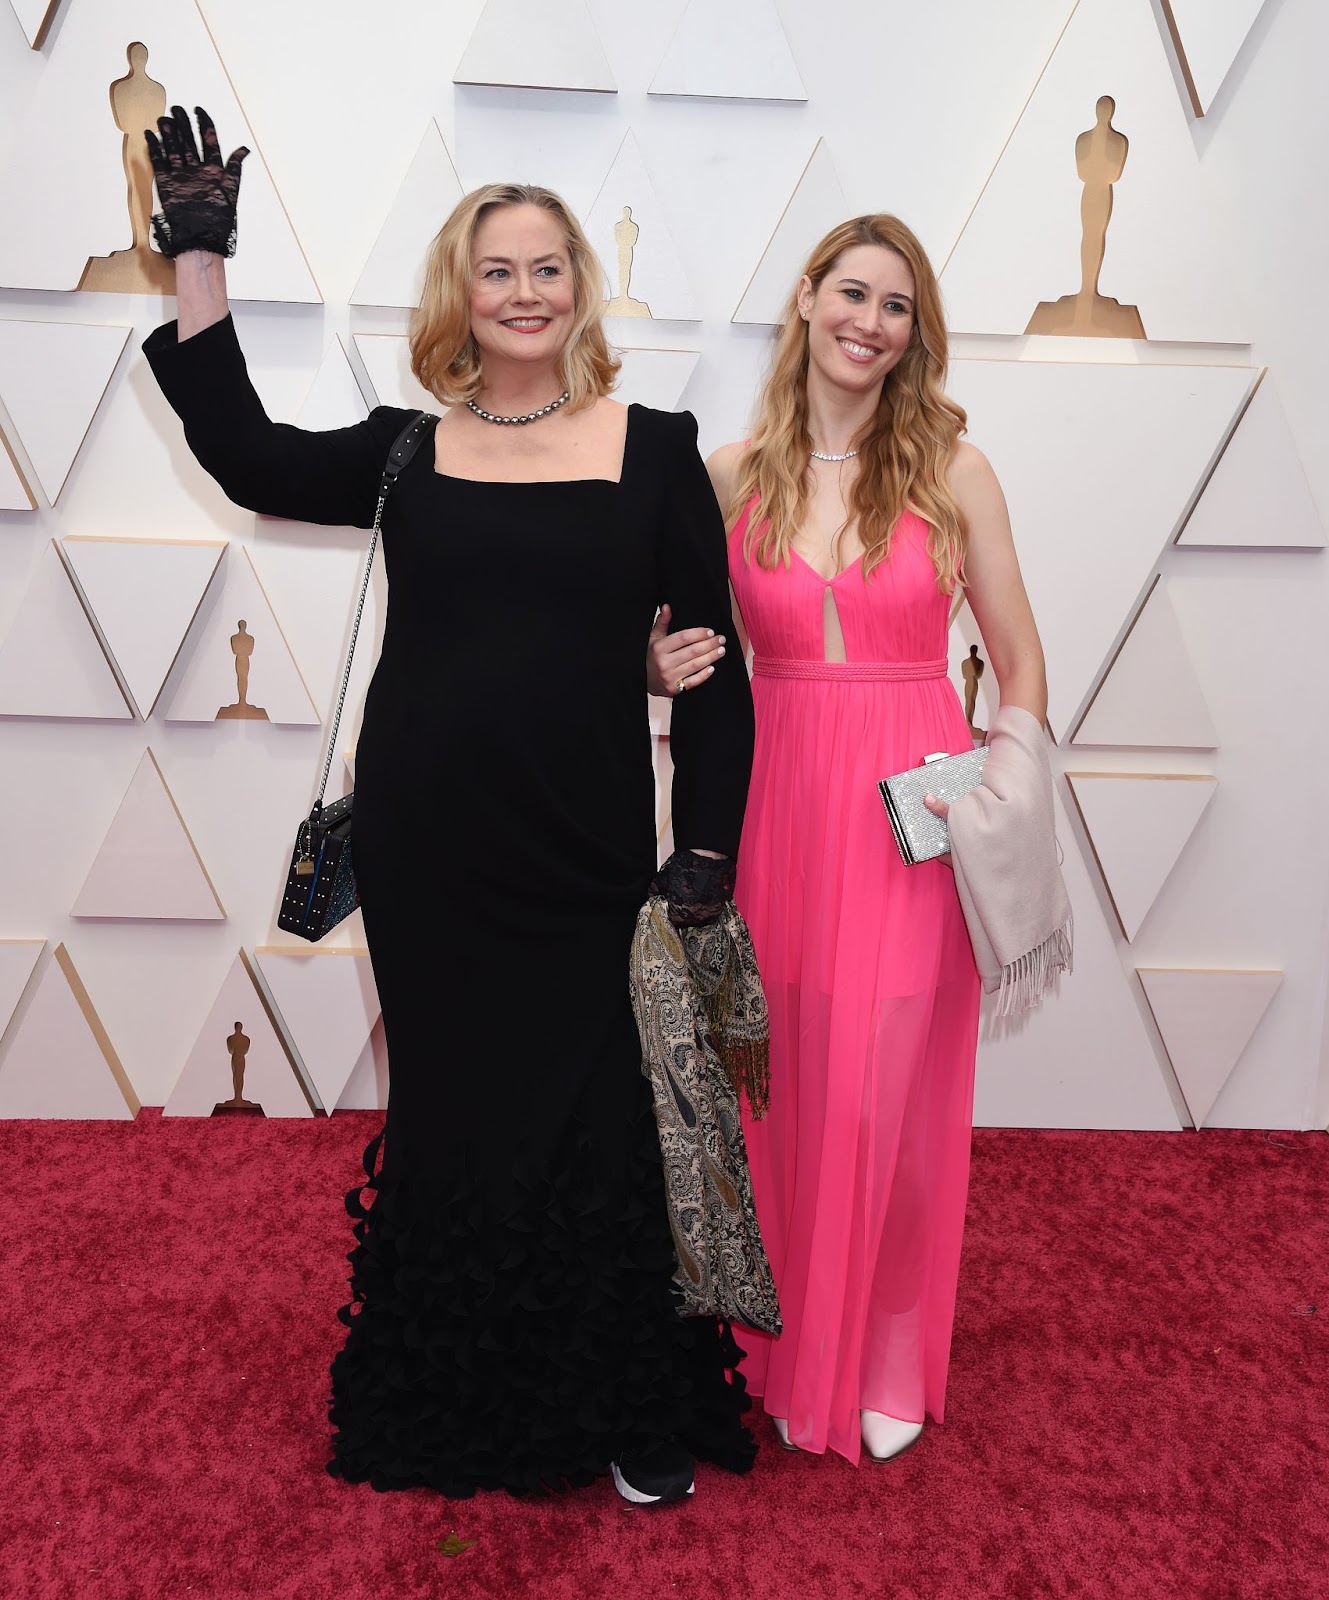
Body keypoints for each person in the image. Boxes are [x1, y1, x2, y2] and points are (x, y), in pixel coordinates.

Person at [141, 107, 757, 1505]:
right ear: (459, 294)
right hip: (435, 853)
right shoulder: (404, 450)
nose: (524, 290)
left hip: (590, 847)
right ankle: (454, 1401)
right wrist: (198, 258)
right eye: (497, 269)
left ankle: (623, 1403)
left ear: (579, 290)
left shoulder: (656, 449)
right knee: (456, 1119)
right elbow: (244, 452)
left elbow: (714, 676)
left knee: (604, 1120)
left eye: (548, 267)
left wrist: (705, 845)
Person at [648, 214, 1048, 1464]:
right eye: (851, 293)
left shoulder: (954, 472)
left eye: (896, 307)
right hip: (772, 799)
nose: (869, 323)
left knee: (889, 1083)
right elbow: (661, 645)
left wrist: (1002, 787)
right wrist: (651, 666)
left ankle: (879, 1347)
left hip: (910, 811)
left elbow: (1023, 661)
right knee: (780, 1074)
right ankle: (771, 1342)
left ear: (912, 333)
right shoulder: (728, 473)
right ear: (808, 297)